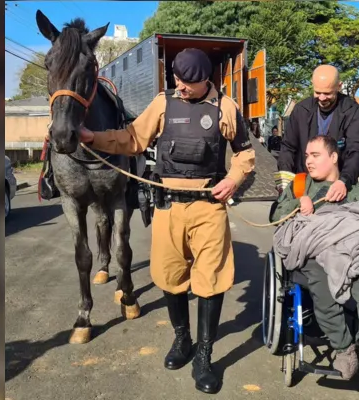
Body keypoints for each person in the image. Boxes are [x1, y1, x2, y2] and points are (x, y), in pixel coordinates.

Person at [79, 48, 254, 394]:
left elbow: (245, 154)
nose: (181, 87)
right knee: (170, 277)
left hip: (209, 208)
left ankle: (204, 355)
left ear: (206, 80)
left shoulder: (226, 107)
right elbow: (132, 138)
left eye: (187, 83)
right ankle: (182, 340)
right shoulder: (163, 103)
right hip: (169, 207)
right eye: (177, 80)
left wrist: (233, 179)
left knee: (211, 281)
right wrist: (93, 138)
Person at [270, 135, 359, 380]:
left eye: (315, 155)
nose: (308, 161)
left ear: (333, 157)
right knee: (323, 288)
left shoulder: (355, 189)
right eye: (307, 155)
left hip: (351, 250)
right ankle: (344, 350)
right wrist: (298, 203)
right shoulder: (299, 185)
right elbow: (275, 215)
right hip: (313, 253)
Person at [278, 65, 359, 202]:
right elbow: (288, 147)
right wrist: (285, 180)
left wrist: (344, 181)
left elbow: (356, 150)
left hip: (337, 185)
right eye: (317, 92)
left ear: (339, 86)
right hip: (303, 184)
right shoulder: (301, 110)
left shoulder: (352, 111)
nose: (322, 98)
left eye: (327, 93)